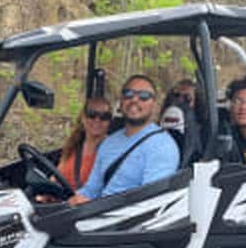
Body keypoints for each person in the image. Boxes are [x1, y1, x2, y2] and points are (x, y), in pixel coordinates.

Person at [69, 74, 179, 205]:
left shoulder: (162, 146)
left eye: (143, 96)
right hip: (95, 215)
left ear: (154, 105)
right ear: (121, 101)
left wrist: (96, 206)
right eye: (128, 94)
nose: (134, 100)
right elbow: (91, 189)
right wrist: (73, 200)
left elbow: (151, 202)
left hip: (129, 222)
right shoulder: (109, 142)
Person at [57, 96, 112, 190]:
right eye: (92, 114)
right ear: (83, 117)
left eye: (104, 116)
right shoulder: (73, 145)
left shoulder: (112, 150)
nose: (97, 120)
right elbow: (57, 177)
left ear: (109, 121)